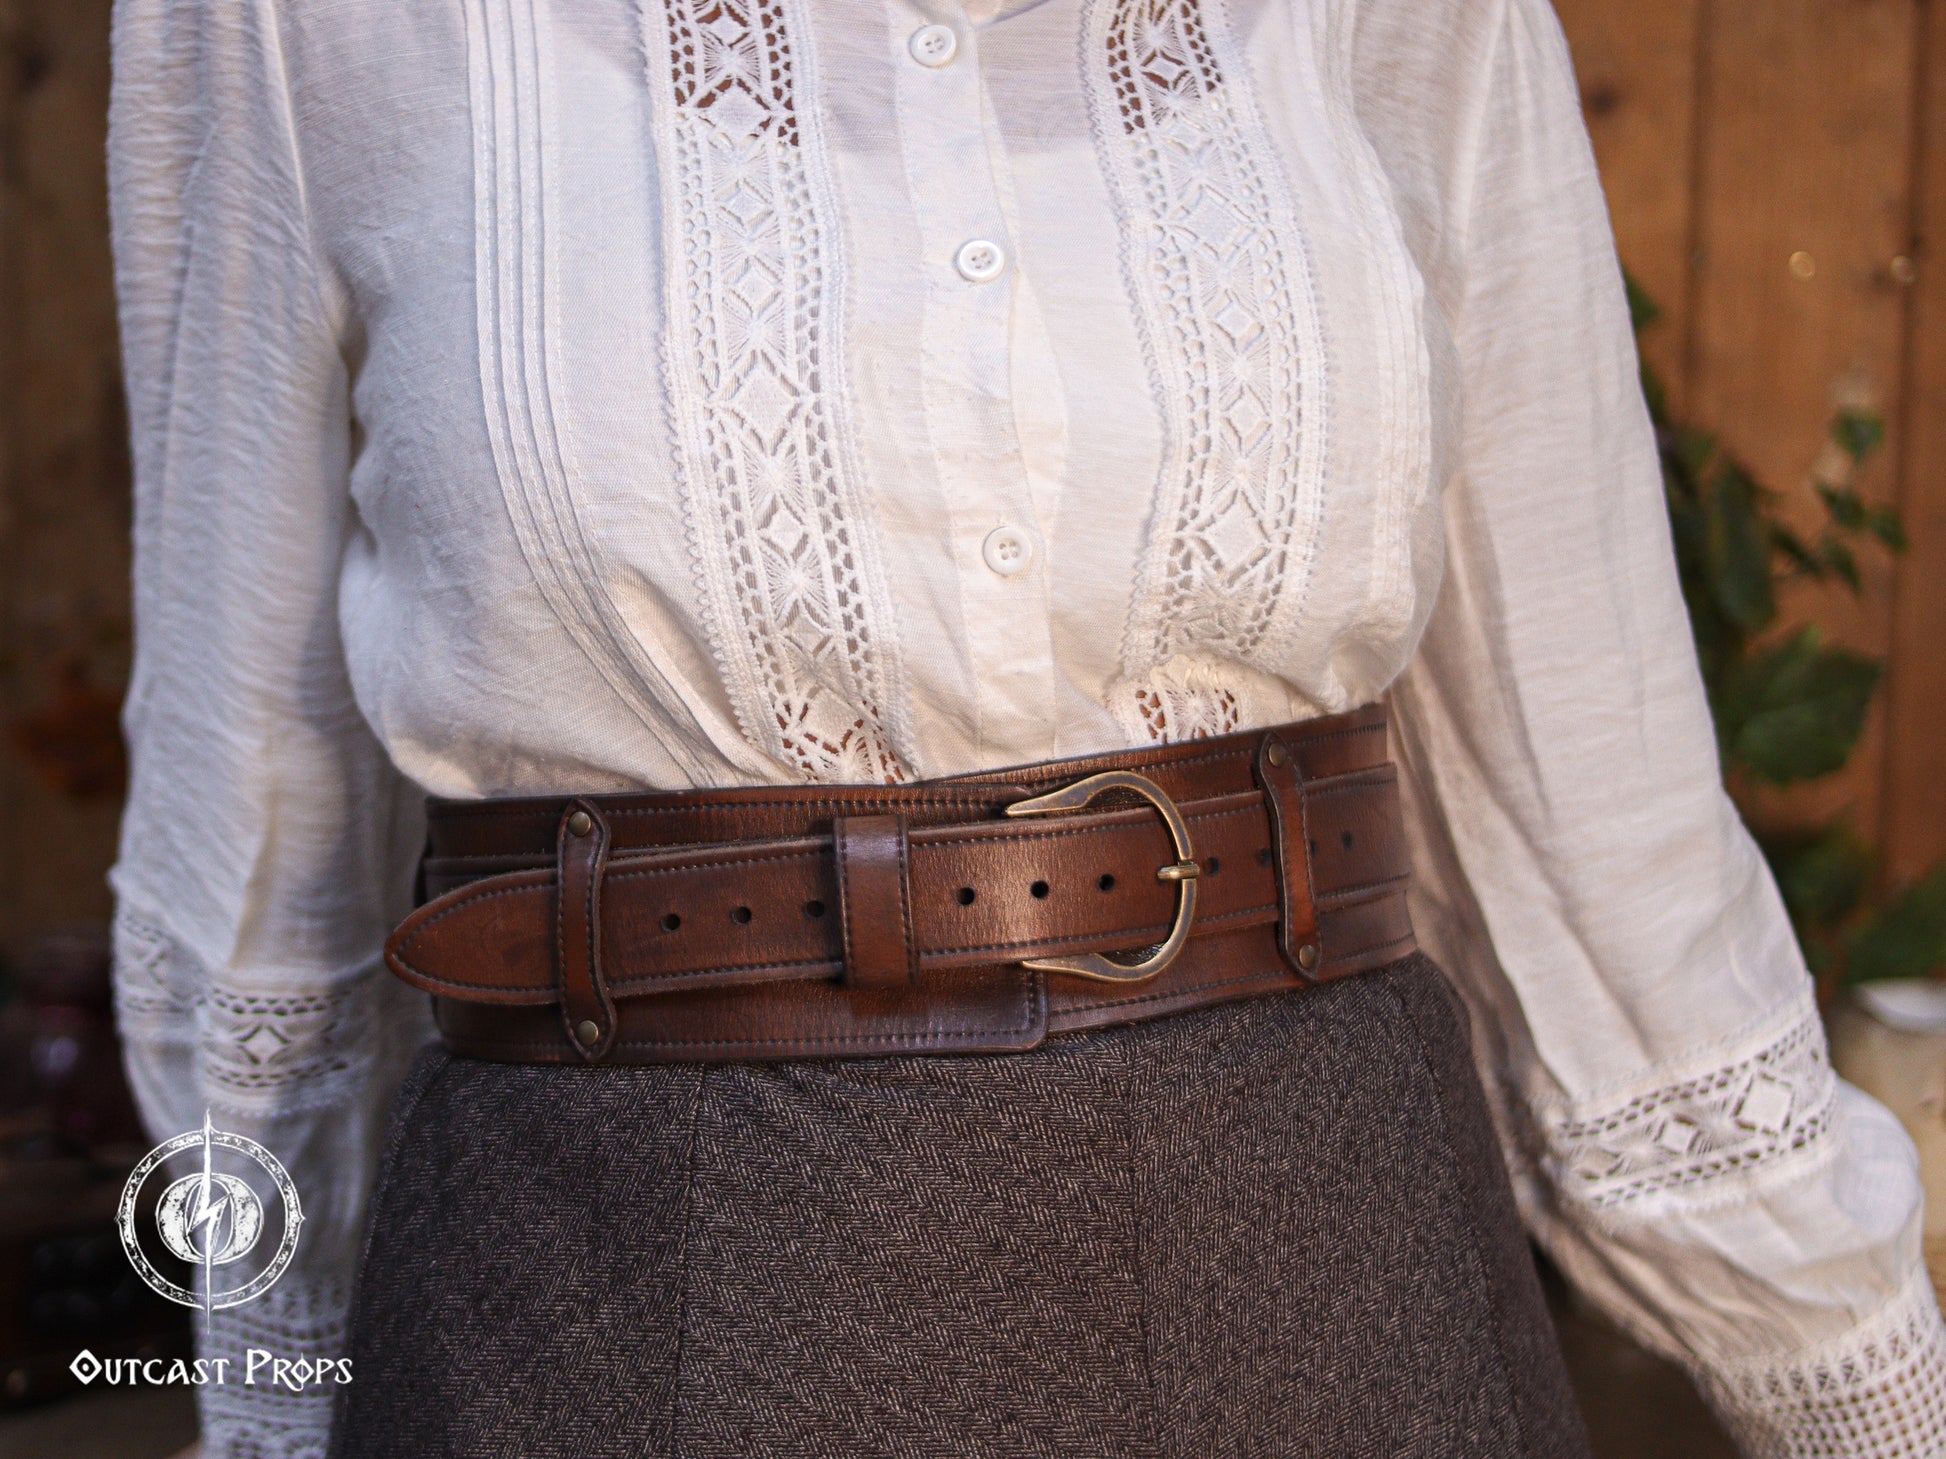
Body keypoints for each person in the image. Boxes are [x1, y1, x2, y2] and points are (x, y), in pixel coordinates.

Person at [105, 0, 1946, 1455]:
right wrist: (267, 1405)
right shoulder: (299, 20)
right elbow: (247, 837)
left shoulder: (1409, 16)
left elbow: (1594, 821)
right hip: (613, 1292)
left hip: (1332, 1279)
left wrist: (1862, 1382)